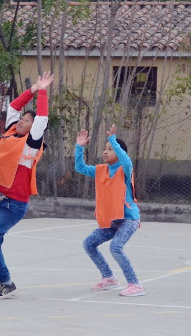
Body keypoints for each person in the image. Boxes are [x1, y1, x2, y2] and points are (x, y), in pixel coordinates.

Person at [0, 71, 54, 299]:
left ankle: (7, 281)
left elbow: (41, 119)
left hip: (15, 204)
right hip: (0, 200)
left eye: (27, 120)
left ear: (34, 128)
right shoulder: (12, 132)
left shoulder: (31, 144)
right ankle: (3, 281)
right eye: (23, 118)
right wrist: (31, 89)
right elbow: (12, 108)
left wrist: (42, 91)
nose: (22, 120)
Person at [74, 124, 144, 297]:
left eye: (110, 149)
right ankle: (109, 277)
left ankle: (135, 284)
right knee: (89, 243)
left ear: (119, 153)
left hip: (128, 219)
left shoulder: (125, 169)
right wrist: (79, 147)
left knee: (116, 247)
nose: (105, 152)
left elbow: (127, 160)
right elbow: (80, 168)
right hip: (111, 221)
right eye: (105, 149)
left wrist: (113, 139)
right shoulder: (100, 170)